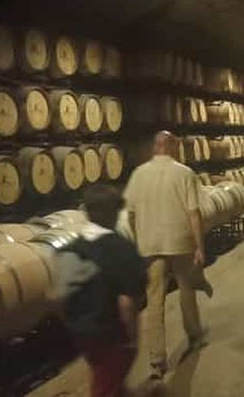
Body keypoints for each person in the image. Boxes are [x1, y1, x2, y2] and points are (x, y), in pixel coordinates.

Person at [124, 131, 207, 381]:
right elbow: (194, 213)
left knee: (154, 301)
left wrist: (139, 240)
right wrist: (200, 245)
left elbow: (130, 213)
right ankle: (194, 335)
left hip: (150, 245)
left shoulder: (138, 174)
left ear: (155, 147)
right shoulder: (184, 173)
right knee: (186, 290)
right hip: (180, 242)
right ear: (172, 147)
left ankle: (157, 361)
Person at [62, 185, 147, 397]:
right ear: (114, 213)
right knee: (105, 387)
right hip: (112, 335)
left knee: (110, 381)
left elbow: (58, 296)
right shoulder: (121, 249)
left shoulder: (70, 249)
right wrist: (132, 340)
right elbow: (128, 302)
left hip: (81, 336)